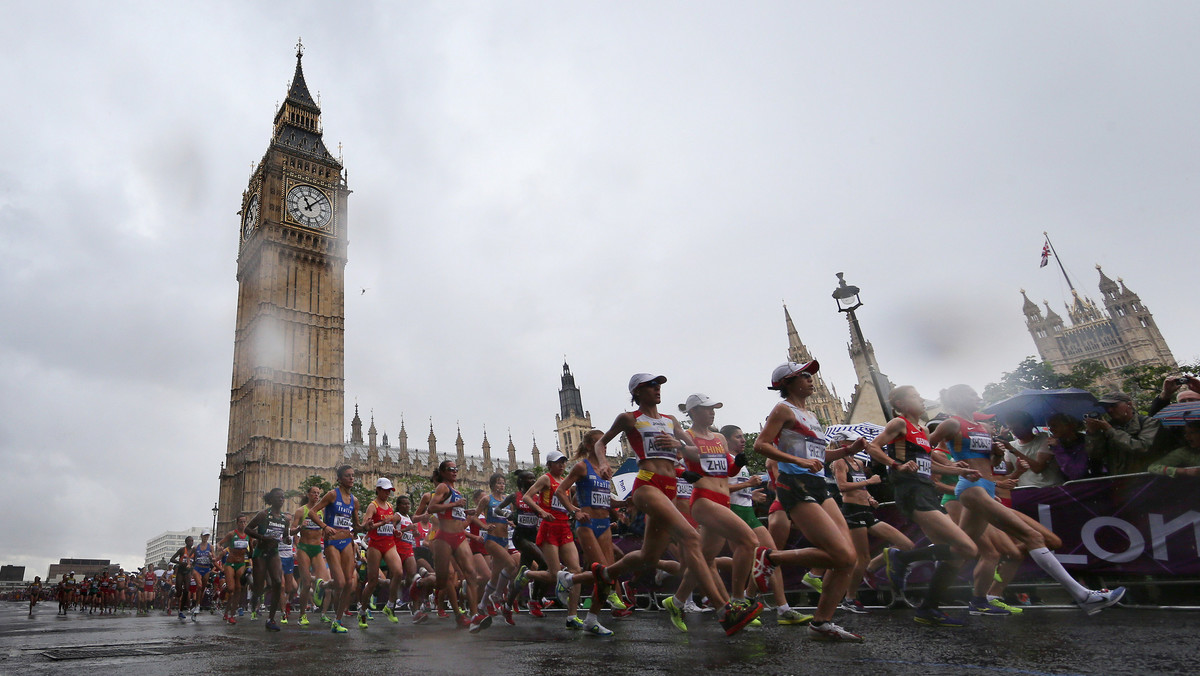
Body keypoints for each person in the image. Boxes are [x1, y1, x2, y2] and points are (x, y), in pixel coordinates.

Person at [591, 373, 758, 638]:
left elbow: (694, 453)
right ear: (637, 392)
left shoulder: (671, 421)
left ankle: (606, 573)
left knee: (649, 556)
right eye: (651, 386)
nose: (658, 390)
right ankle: (724, 609)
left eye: (659, 386)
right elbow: (601, 442)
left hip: (668, 487)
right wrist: (601, 463)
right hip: (646, 484)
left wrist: (678, 444)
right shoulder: (630, 419)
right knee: (691, 537)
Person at [939, 384, 1125, 615]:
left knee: (962, 548)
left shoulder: (982, 427)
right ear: (959, 399)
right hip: (971, 489)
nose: (978, 397)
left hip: (986, 488)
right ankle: (1083, 596)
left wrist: (996, 455)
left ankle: (913, 569)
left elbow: (992, 465)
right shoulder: (953, 423)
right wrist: (952, 467)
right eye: (972, 393)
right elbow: (924, 449)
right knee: (1031, 538)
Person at [753, 362, 864, 642]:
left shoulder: (812, 415)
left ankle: (822, 622)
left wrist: (847, 450)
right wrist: (798, 460)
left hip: (819, 485)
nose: (811, 379)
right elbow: (761, 445)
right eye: (804, 375)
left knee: (848, 558)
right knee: (843, 554)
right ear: (788, 383)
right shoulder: (783, 410)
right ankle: (770, 557)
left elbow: (819, 456)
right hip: (795, 486)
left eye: (810, 374)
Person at [830, 435, 914, 614]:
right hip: (852, 511)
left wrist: (870, 497)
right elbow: (842, 486)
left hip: (867, 511)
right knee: (862, 556)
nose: (857, 444)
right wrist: (870, 481)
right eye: (850, 442)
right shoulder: (839, 462)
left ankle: (871, 569)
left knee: (906, 544)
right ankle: (849, 598)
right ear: (843, 444)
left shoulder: (859, 463)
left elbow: (862, 487)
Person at [417, 460, 491, 632]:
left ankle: (474, 617)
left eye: (456, 469)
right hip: (444, 538)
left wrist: (465, 512)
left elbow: (452, 512)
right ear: (443, 472)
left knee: (471, 574)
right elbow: (433, 507)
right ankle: (421, 584)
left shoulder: (457, 491)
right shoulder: (443, 488)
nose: (455, 471)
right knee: (443, 581)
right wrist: (455, 504)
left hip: (459, 537)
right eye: (451, 469)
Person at [307, 465, 362, 634]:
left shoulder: (355, 501)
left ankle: (337, 621)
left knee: (349, 583)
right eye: (347, 476)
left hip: (347, 541)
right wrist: (324, 526)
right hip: (332, 542)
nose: (351, 478)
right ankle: (322, 585)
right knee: (340, 583)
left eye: (353, 475)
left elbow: (356, 526)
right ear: (339, 478)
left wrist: (368, 526)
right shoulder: (332, 495)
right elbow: (312, 512)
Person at [357, 478, 405, 627]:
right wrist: (380, 523)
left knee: (398, 572)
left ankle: (390, 606)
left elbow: (389, 526)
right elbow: (365, 526)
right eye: (384, 490)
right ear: (377, 489)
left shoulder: (390, 505)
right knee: (372, 582)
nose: (387, 493)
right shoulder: (373, 506)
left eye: (389, 490)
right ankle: (362, 611)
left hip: (389, 544)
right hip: (375, 546)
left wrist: (396, 531)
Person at [246, 488, 291, 631]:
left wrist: (287, 539)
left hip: (274, 552)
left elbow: (284, 536)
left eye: (283, 497)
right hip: (260, 552)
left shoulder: (285, 519)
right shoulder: (263, 515)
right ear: (271, 500)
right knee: (259, 587)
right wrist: (262, 537)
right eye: (278, 497)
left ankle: (271, 619)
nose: (281, 500)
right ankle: (254, 596)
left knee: (277, 582)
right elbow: (248, 529)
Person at [1085, 391, 1163, 475]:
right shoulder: (1108, 427)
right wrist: (1093, 434)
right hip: (1118, 480)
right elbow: (1096, 455)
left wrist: (1110, 430)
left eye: (1113, 406)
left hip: (1144, 479)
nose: (1109, 410)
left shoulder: (1148, 422)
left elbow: (1143, 448)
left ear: (1129, 404)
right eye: (1106, 407)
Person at [291, 486, 331, 626]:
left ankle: (322, 608)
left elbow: (326, 529)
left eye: (318, 493)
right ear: (308, 494)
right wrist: (299, 528)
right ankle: (302, 615)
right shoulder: (301, 511)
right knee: (307, 583)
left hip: (317, 549)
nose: (316, 495)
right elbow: (291, 531)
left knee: (325, 582)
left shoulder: (322, 511)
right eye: (313, 493)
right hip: (303, 548)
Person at [999, 411, 1063, 488]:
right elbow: (1006, 472)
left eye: (1017, 428)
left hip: (1049, 487)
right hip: (1025, 490)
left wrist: (1012, 449)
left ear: (1030, 426)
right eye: (1011, 428)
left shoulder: (1045, 439)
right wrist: (999, 451)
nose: (1014, 431)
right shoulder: (1011, 445)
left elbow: (1038, 468)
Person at [218, 515, 251, 624]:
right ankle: (226, 609)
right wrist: (219, 547)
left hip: (241, 563)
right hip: (230, 563)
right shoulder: (232, 534)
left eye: (244, 522)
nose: (243, 524)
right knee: (231, 589)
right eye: (241, 522)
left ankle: (231, 614)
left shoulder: (248, 536)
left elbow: (251, 551)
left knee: (239, 589)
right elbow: (220, 543)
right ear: (237, 523)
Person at [1046, 414, 1096, 482]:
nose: (1051, 429)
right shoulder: (1057, 443)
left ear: (1069, 426)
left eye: (1054, 426)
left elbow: (1076, 473)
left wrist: (1058, 449)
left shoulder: (1084, 442)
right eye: (1050, 426)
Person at [169, 536, 196, 622]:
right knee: (179, 591)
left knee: (186, 591)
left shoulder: (194, 551)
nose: (191, 542)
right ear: (186, 542)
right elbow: (172, 559)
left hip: (188, 572)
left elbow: (195, 561)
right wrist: (180, 563)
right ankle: (174, 593)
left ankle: (181, 610)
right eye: (189, 541)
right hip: (180, 571)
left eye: (192, 541)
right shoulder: (182, 550)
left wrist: (192, 566)